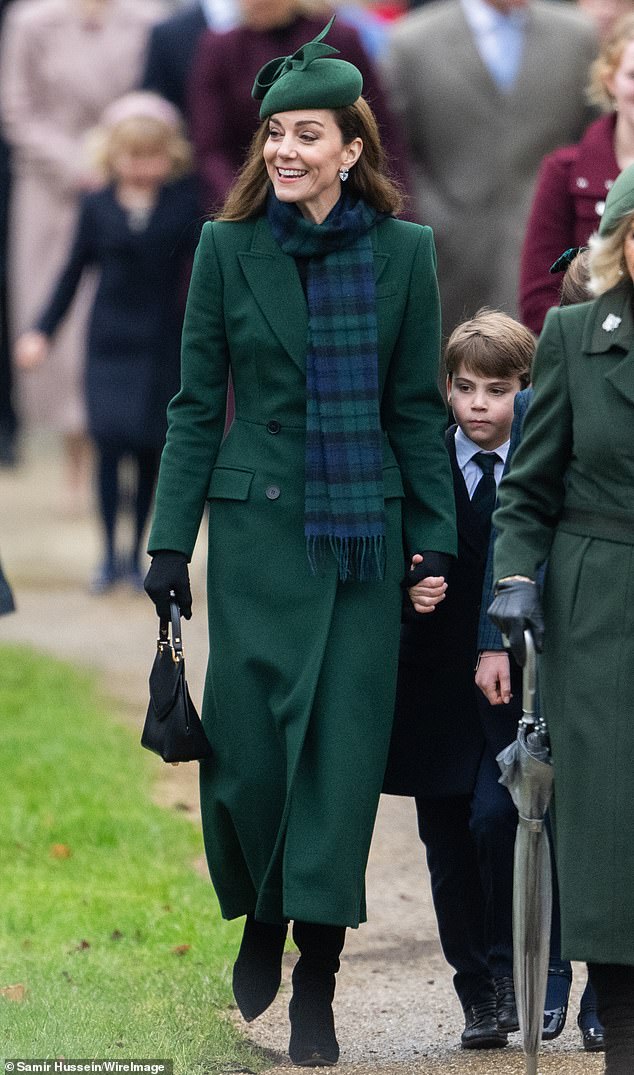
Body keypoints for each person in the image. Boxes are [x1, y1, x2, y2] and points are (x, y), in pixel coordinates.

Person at [143, 22, 457, 1065]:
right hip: (255, 527)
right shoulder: (224, 249)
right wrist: (166, 542)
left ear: (349, 149)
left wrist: (433, 546)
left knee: (338, 755)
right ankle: (263, 916)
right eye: (273, 133)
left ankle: (317, 968)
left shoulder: (404, 253)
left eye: (306, 135)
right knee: (250, 755)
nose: (282, 151)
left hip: (363, 530)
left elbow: (416, 412)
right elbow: (195, 407)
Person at [488, 163, 634, 1074]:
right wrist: (513, 575)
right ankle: (622, 1028)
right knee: (612, 824)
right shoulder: (575, 336)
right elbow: (526, 490)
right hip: (602, 602)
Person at [383, 310, 533, 1050]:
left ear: (524, 392)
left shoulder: (535, 466)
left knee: (495, 818)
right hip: (433, 685)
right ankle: (475, 989)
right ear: (446, 388)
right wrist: (407, 592)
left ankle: (508, 970)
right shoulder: (425, 462)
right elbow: (392, 550)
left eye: (497, 389)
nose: (478, 404)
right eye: (465, 387)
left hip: (507, 686)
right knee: (444, 838)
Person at [15, 92, 200, 594]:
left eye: (152, 157)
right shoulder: (96, 207)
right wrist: (41, 333)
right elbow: (72, 274)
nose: (142, 167)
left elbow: (200, 278)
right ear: (112, 157)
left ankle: (136, 550)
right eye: (132, 157)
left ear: (170, 157)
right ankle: (106, 554)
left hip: (162, 343)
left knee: (147, 451)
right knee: (108, 442)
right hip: (110, 343)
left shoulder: (184, 205)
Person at [0, 0, 162, 507]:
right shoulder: (29, 21)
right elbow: (15, 107)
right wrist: (77, 163)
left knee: (123, 315)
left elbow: (156, 99)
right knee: (58, 318)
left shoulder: (149, 20)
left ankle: (122, 458)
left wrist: (120, 156)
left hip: (132, 182)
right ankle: (75, 463)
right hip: (51, 192)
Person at [380, 0, 597, 336]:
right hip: (447, 261)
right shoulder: (412, 41)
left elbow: (594, 142)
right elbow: (393, 151)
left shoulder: (578, 36)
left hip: (553, 264)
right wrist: (431, 220)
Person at [187, 0, 413, 216]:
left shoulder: (338, 38)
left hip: (343, 203)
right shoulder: (221, 50)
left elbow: (380, 130)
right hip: (254, 200)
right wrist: (246, 204)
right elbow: (211, 148)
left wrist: (387, 202)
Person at [519, 13, 634, 334]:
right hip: (591, 355)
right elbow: (539, 296)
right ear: (610, 80)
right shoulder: (565, 172)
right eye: (633, 75)